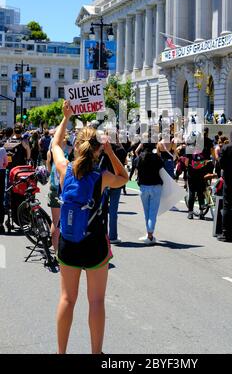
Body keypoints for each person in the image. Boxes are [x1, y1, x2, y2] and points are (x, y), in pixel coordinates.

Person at [52, 100, 128, 354]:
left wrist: (66, 118)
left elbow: (54, 145)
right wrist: (110, 152)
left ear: (76, 147)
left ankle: (60, 352)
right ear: (97, 150)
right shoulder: (102, 178)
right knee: (95, 301)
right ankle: (96, 352)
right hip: (94, 243)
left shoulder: (65, 171)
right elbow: (125, 177)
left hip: (69, 241)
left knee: (66, 299)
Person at [136, 142, 164, 244]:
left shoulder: (140, 157)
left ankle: (149, 234)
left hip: (143, 187)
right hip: (156, 186)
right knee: (153, 213)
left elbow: (136, 165)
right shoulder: (156, 157)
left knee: (147, 212)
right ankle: (150, 235)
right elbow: (162, 166)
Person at [0, 143, 8, 233]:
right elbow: (6, 163)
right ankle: (0, 223)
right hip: (1, 172)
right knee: (0, 198)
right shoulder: (2, 150)